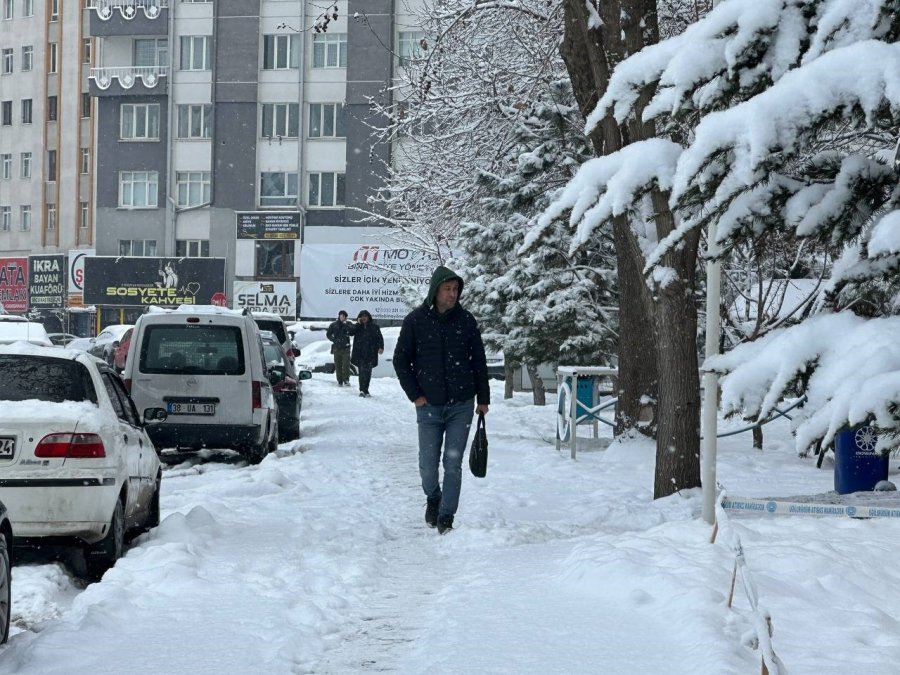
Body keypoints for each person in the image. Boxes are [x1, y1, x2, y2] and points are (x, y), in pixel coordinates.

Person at [393, 266, 490, 534]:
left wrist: (483, 399)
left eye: (456, 289)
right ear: (435, 290)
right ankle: (433, 497)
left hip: (461, 404)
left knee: (452, 462)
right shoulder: (416, 321)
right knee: (427, 463)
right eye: (447, 289)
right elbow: (401, 360)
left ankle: (447, 515)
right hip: (428, 405)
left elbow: (479, 362)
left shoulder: (466, 321)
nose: (452, 294)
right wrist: (415, 395)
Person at [350, 310, 384, 397]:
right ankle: (362, 390)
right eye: (362, 316)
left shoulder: (374, 327)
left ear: (368, 317)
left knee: (368, 373)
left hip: (370, 354)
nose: (364, 318)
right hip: (360, 354)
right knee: (361, 372)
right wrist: (357, 324)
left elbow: (380, 338)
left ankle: (366, 390)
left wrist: (380, 347)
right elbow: (350, 332)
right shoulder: (357, 327)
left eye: (365, 316)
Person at [326, 310, 353, 386]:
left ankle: (346, 379)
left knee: (346, 364)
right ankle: (340, 380)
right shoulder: (334, 325)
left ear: (346, 317)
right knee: (338, 364)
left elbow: (352, 332)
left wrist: (346, 325)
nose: (342, 317)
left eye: (344, 316)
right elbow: (328, 334)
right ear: (339, 316)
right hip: (337, 347)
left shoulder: (348, 324)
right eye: (341, 315)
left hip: (346, 347)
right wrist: (333, 339)